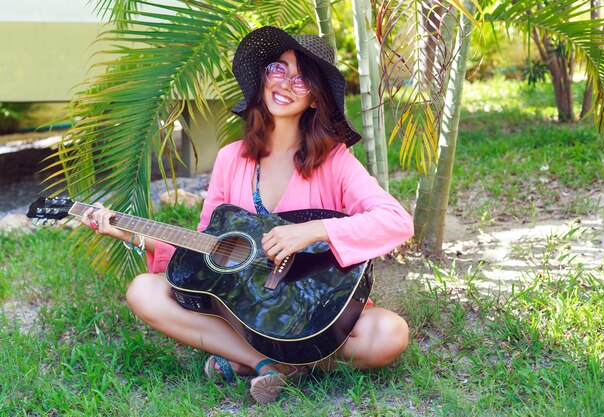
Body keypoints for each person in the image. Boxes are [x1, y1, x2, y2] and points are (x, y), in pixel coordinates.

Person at [81, 26, 413, 404]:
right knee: (143, 291)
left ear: (317, 100)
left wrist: (310, 231)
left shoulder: (335, 160)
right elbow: (204, 251)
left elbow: (396, 220)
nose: (285, 82)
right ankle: (268, 364)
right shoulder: (230, 158)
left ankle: (253, 358)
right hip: (244, 311)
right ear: (263, 78)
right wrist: (133, 235)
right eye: (278, 69)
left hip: (312, 311)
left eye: (301, 79)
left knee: (389, 333)